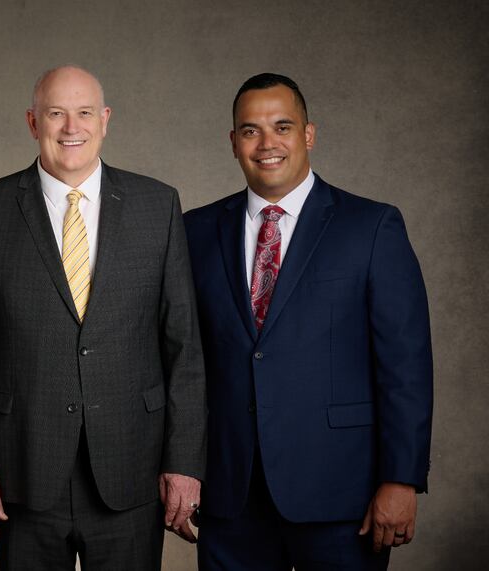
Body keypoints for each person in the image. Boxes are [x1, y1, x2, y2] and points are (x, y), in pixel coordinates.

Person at [0, 65, 206, 570]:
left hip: (133, 464)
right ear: (31, 121)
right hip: (21, 468)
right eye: (56, 113)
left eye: (84, 112)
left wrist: (185, 461)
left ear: (104, 119)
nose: (71, 127)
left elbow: (184, 349)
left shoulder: (158, 206)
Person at [184, 73, 434, 570]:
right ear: (233, 142)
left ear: (308, 134)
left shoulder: (371, 227)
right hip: (230, 495)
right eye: (250, 130)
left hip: (342, 494)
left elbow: (406, 365)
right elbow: (178, 360)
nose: (267, 143)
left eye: (282, 126)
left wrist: (401, 479)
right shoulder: (193, 232)